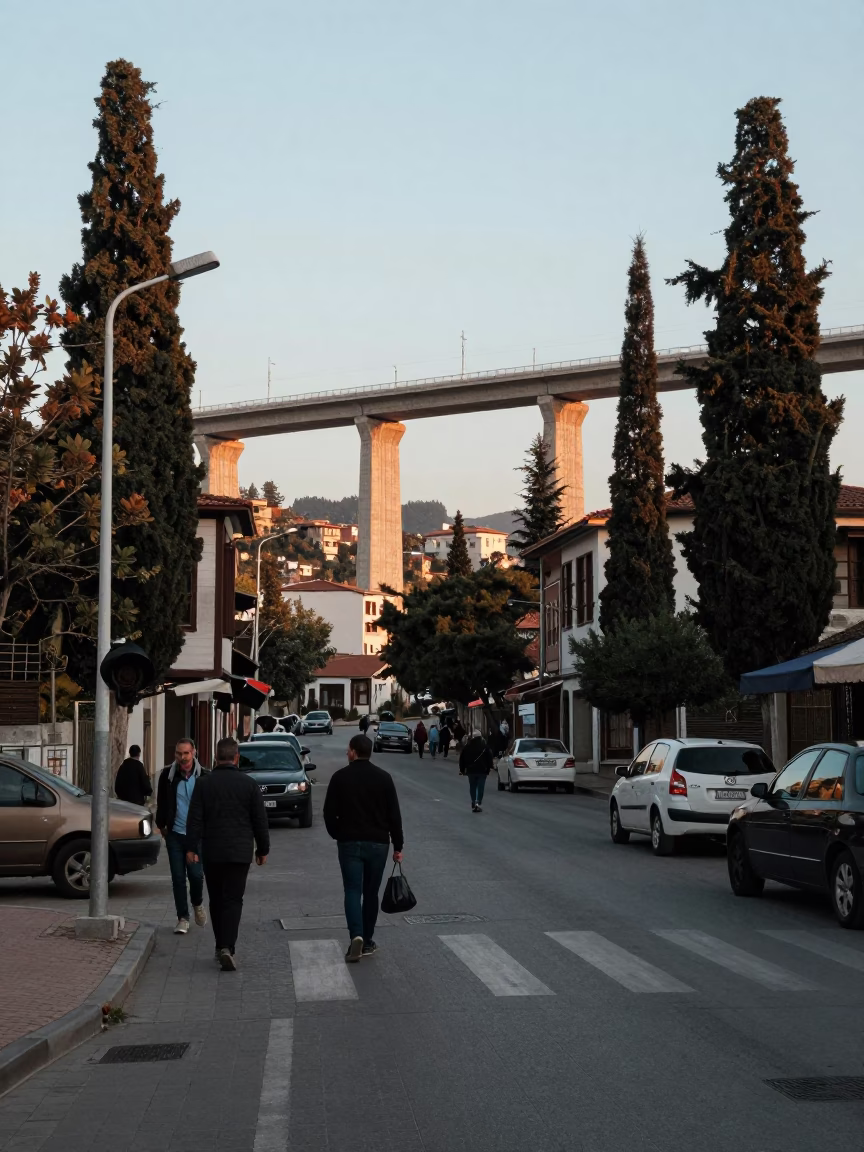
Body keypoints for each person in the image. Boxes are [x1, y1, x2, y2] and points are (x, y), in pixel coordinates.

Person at [185, 737, 270, 971]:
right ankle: (228, 947)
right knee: (234, 900)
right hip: (240, 853)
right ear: (236, 758)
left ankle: (219, 945)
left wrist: (191, 848)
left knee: (217, 899)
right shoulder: (249, 785)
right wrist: (263, 849)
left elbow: (195, 819)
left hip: (212, 852)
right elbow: (260, 821)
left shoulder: (204, 784)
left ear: (215, 758)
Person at [323, 733, 404, 962]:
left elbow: (328, 813)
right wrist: (398, 846)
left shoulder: (340, 778)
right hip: (378, 844)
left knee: (352, 890)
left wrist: (337, 834)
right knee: (370, 893)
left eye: (348, 750)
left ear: (354, 752)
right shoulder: (384, 778)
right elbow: (394, 816)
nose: (346, 753)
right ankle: (367, 941)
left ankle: (355, 936)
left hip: (349, 842)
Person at [156, 739, 208, 935]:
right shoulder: (168, 776)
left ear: (193, 752)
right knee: (178, 877)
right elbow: (162, 802)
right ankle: (182, 917)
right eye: (179, 753)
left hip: (196, 837)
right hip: (175, 836)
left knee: (195, 875)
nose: (182, 757)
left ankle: (197, 903)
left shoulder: (204, 776)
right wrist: (162, 826)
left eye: (186, 753)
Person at [459, 729, 495, 813]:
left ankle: (473, 801)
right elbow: (489, 757)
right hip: (482, 770)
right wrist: (490, 767)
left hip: (470, 770)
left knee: (472, 786)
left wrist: (462, 769)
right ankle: (478, 802)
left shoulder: (467, 746)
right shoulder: (484, 746)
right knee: (480, 787)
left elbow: (462, 759)